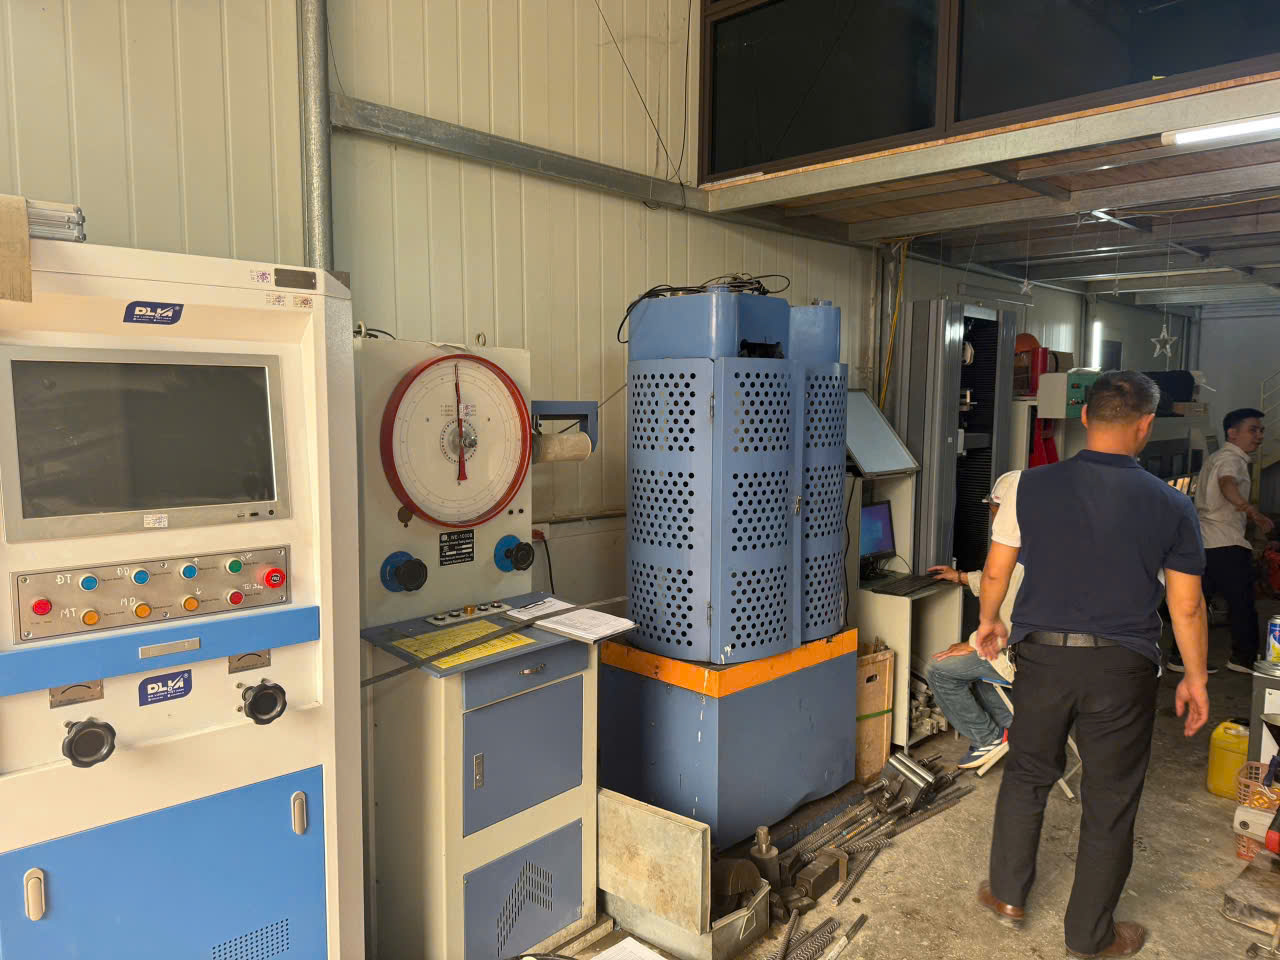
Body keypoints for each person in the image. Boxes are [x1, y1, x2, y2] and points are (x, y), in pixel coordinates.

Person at [972, 370, 1210, 960]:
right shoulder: (1172, 503)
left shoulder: (1027, 485)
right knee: (1110, 798)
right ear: (1146, 425)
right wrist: (1197, 677)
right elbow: (1187, 606)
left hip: (1043, 657)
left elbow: (997, 568)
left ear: (1084, 417)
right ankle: (1088, 935)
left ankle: (1007, 894)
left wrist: (989, 620)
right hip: (1123, 668)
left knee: (1028, 772)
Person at [924, 471, 1021, 769]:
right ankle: (1010, 725)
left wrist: (972, 644)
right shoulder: (1040, 541)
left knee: (939, 670)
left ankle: (988, 737)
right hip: (1050, 655)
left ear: (1002, 508)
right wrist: (960, 577)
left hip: (1018, 654)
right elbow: (998, 580)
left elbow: (1009, 608)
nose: (991, 516)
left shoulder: (1018, 547)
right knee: (968, 667)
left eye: (992, 508)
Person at [1171, 407, 1273, 674]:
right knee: (1242, 604)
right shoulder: (1231, 459)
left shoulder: (1217, 456)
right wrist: (1251, 511)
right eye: (1253, 430)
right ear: (1232, 433)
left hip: (1206, 541)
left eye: (1261, 430)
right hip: (1226, 543)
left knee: (1196, 604)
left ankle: (1180, 657)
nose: (1259, 436)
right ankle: (1243, 658)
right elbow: (1227, 484)